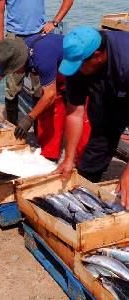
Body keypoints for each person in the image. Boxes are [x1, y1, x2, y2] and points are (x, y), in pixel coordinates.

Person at [0, 34, 90, 162]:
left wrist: (29, 118)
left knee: (81, 116)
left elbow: (50, 94)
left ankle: (84, 164)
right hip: (55, 74)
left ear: (21, 61)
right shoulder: (11, 53)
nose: (13, 72)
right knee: (47, 113)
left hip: (77, 70)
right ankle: (49, 155)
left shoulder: (42, 57)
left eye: (14, 69)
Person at [54, 25, 129, 209]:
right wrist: (69, 158)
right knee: (89, 164)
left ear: (97, 56)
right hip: (108, 103)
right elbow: (75, 113)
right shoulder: (78, 63)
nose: (76, 70)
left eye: (79, 66)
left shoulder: (126, 59)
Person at [0, 0, 74, 125]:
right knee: (12, 87)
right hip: (14, 37)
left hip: (40, 34)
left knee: (40, 88)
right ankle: (12, 127)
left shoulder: (45, 53)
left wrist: (55, 22)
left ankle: (37, 129)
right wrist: (2, 45)